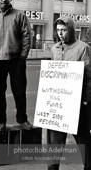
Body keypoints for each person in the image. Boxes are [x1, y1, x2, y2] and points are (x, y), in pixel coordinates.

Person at [0, 0, 33, 131]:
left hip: (16, 60)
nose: (3, 0)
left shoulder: (19, 15)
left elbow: (26, 35)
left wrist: (23, 56)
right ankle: (0, 122)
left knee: (19, 91)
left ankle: (22, 119)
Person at [47, 15, 91, 170]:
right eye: (58, 30)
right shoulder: (55, 49)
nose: (60, 33)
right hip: (58, 104)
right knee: (54, 143)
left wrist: (86, 100)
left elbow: (89, 77)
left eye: (64, 30)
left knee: (83, 140)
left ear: (70, 30)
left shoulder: (83, 48)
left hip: (77, 104)